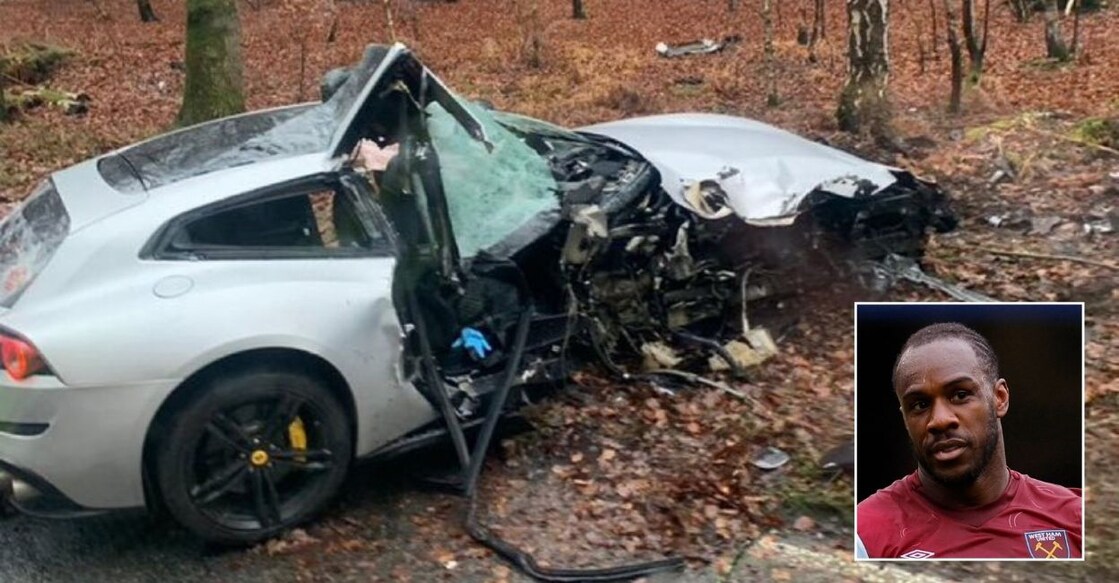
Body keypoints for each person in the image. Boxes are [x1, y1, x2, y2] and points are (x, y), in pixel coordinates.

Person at [857, 323, 1082, 559]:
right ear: (904, 419)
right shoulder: (866, 535)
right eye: (920, 405)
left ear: (1000, 398)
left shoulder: (1074, 518)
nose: (940, 420)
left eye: (960, 395)